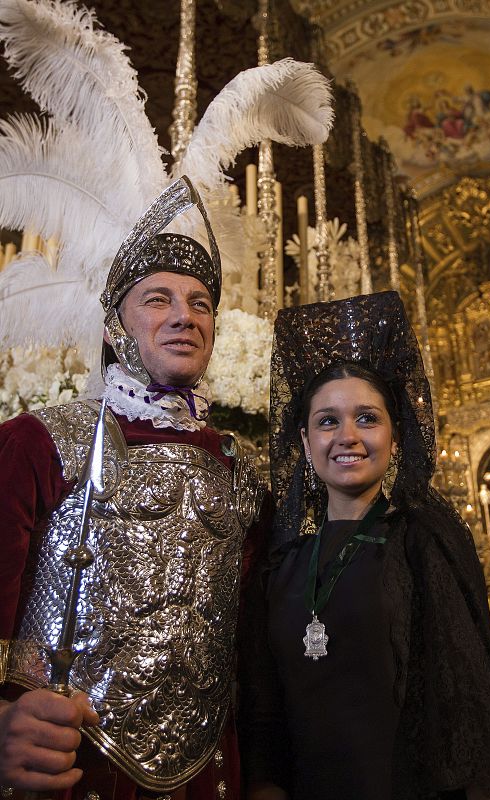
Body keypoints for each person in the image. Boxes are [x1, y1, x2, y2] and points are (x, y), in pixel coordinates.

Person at [0, 178, 269, 799]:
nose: (183, 315)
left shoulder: (244, 468)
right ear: (113, 326)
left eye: (200, 303)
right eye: (158, 299)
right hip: (65, 772)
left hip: (208, 773)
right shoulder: (40, 443)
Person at [239, 291, 490, 800]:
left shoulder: (423, 544)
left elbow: (464, 713)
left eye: (367, 418)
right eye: (327, 421)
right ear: (305, 443)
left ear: (396, 438)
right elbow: (265, 711)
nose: (346, 435)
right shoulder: (281, 561)